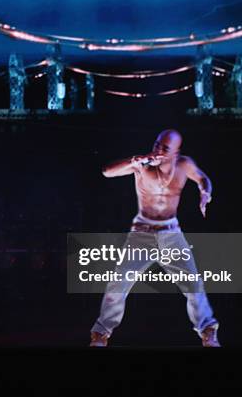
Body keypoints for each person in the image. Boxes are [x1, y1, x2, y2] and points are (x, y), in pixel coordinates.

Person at [90, 129, 220, 347]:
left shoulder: (183, 165)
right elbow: (106, 172)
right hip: (142, 233)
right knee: (118, 283)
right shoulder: (142, 164)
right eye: (157, 144)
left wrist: (205, 193)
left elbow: (203, 178)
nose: (158, 150)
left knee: (193, 283)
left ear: (176, 152)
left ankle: (208, 331)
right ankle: (101, 334)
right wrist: (133, 161)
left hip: (171, 233)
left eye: (165, 148)